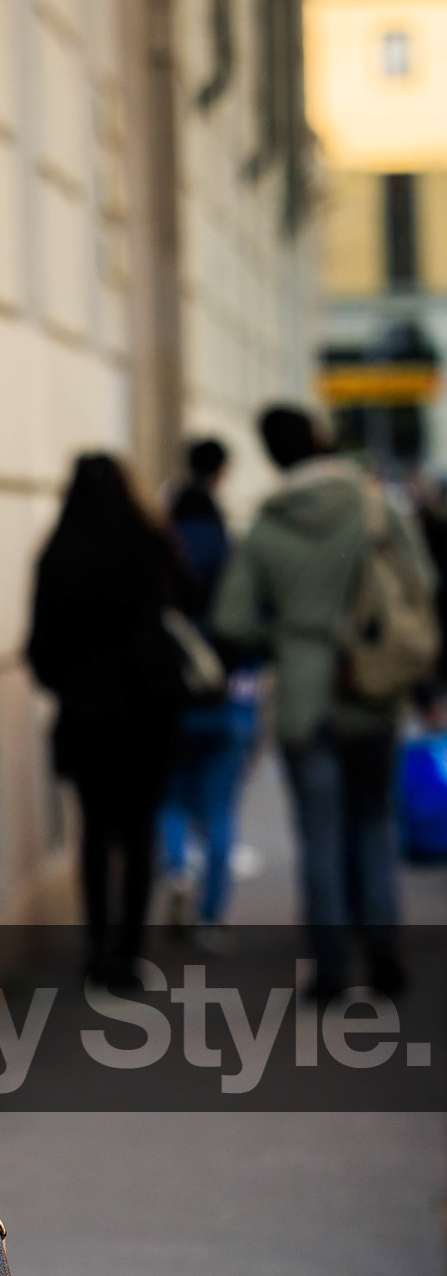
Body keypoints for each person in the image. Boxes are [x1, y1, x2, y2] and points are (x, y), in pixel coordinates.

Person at [213, 405, 433, 998]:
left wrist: (288, 638)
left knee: (320, 835)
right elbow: (421, 588)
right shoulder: (375, 505)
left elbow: (231, 620)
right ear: (321, 441)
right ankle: (383, 951)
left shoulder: (268, 524)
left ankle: (331, 967)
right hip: (377, 689)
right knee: (374, 820)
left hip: (304, 699)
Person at [26, 453, 198, 982]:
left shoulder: (58, 554)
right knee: (140, 831)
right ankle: (129, 951)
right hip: (149, 714)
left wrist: (75, 684)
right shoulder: (150, 544)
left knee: (96, 833)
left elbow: (40, 649)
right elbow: (187, 605)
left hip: (86, 717)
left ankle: (98, 948)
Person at [156, 439, 261, 938]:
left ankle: (178, 865)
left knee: (171, 799)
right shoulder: (230, 549)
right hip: (225, 698)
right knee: (220, 810)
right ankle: (211, 916)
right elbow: (250, 625)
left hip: (169, 699)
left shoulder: (161, 549)